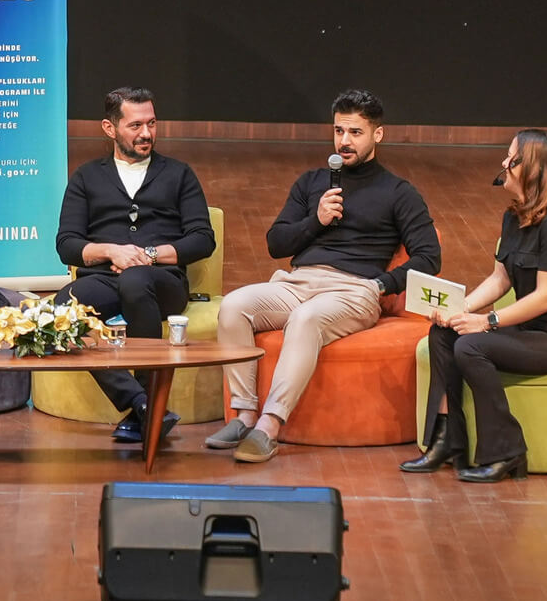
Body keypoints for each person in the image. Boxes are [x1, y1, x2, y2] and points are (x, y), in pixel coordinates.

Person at [210, 89, 440, 464]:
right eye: (338, 131)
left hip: (354, 290)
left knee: (305, 320)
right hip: (298, 281)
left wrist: (382, 285)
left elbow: (429, 257)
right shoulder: (312, 183)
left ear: (378, 135)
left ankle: (269, 426)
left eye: (355, 132)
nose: (344, 141)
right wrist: (315, 220)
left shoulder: (399, 192)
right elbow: (276, 243)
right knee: (234, 306)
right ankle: (244, 414)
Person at [403, 128, 547, 483]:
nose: (504, 162)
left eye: (512, 158)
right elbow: (500, 279)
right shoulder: (514, 217)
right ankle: (446, 441)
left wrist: (486, 321)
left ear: (532, 168)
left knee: (471, 346)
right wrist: (459, 310)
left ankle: (508, 450)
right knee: (443, 334)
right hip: (528, 328)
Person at [53, 87, 216, 445]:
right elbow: (67, 245)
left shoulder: (178, 174)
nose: (146, 134)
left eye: (152, 124)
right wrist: (112, 251)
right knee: (62, 308)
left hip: (163, 281)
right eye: (136, 125)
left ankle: (147, 402)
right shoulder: (86, 177)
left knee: (136, 280)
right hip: (105, 278)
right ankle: (142, 404)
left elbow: (203, 239)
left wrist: (150, 254)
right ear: (109, 128)